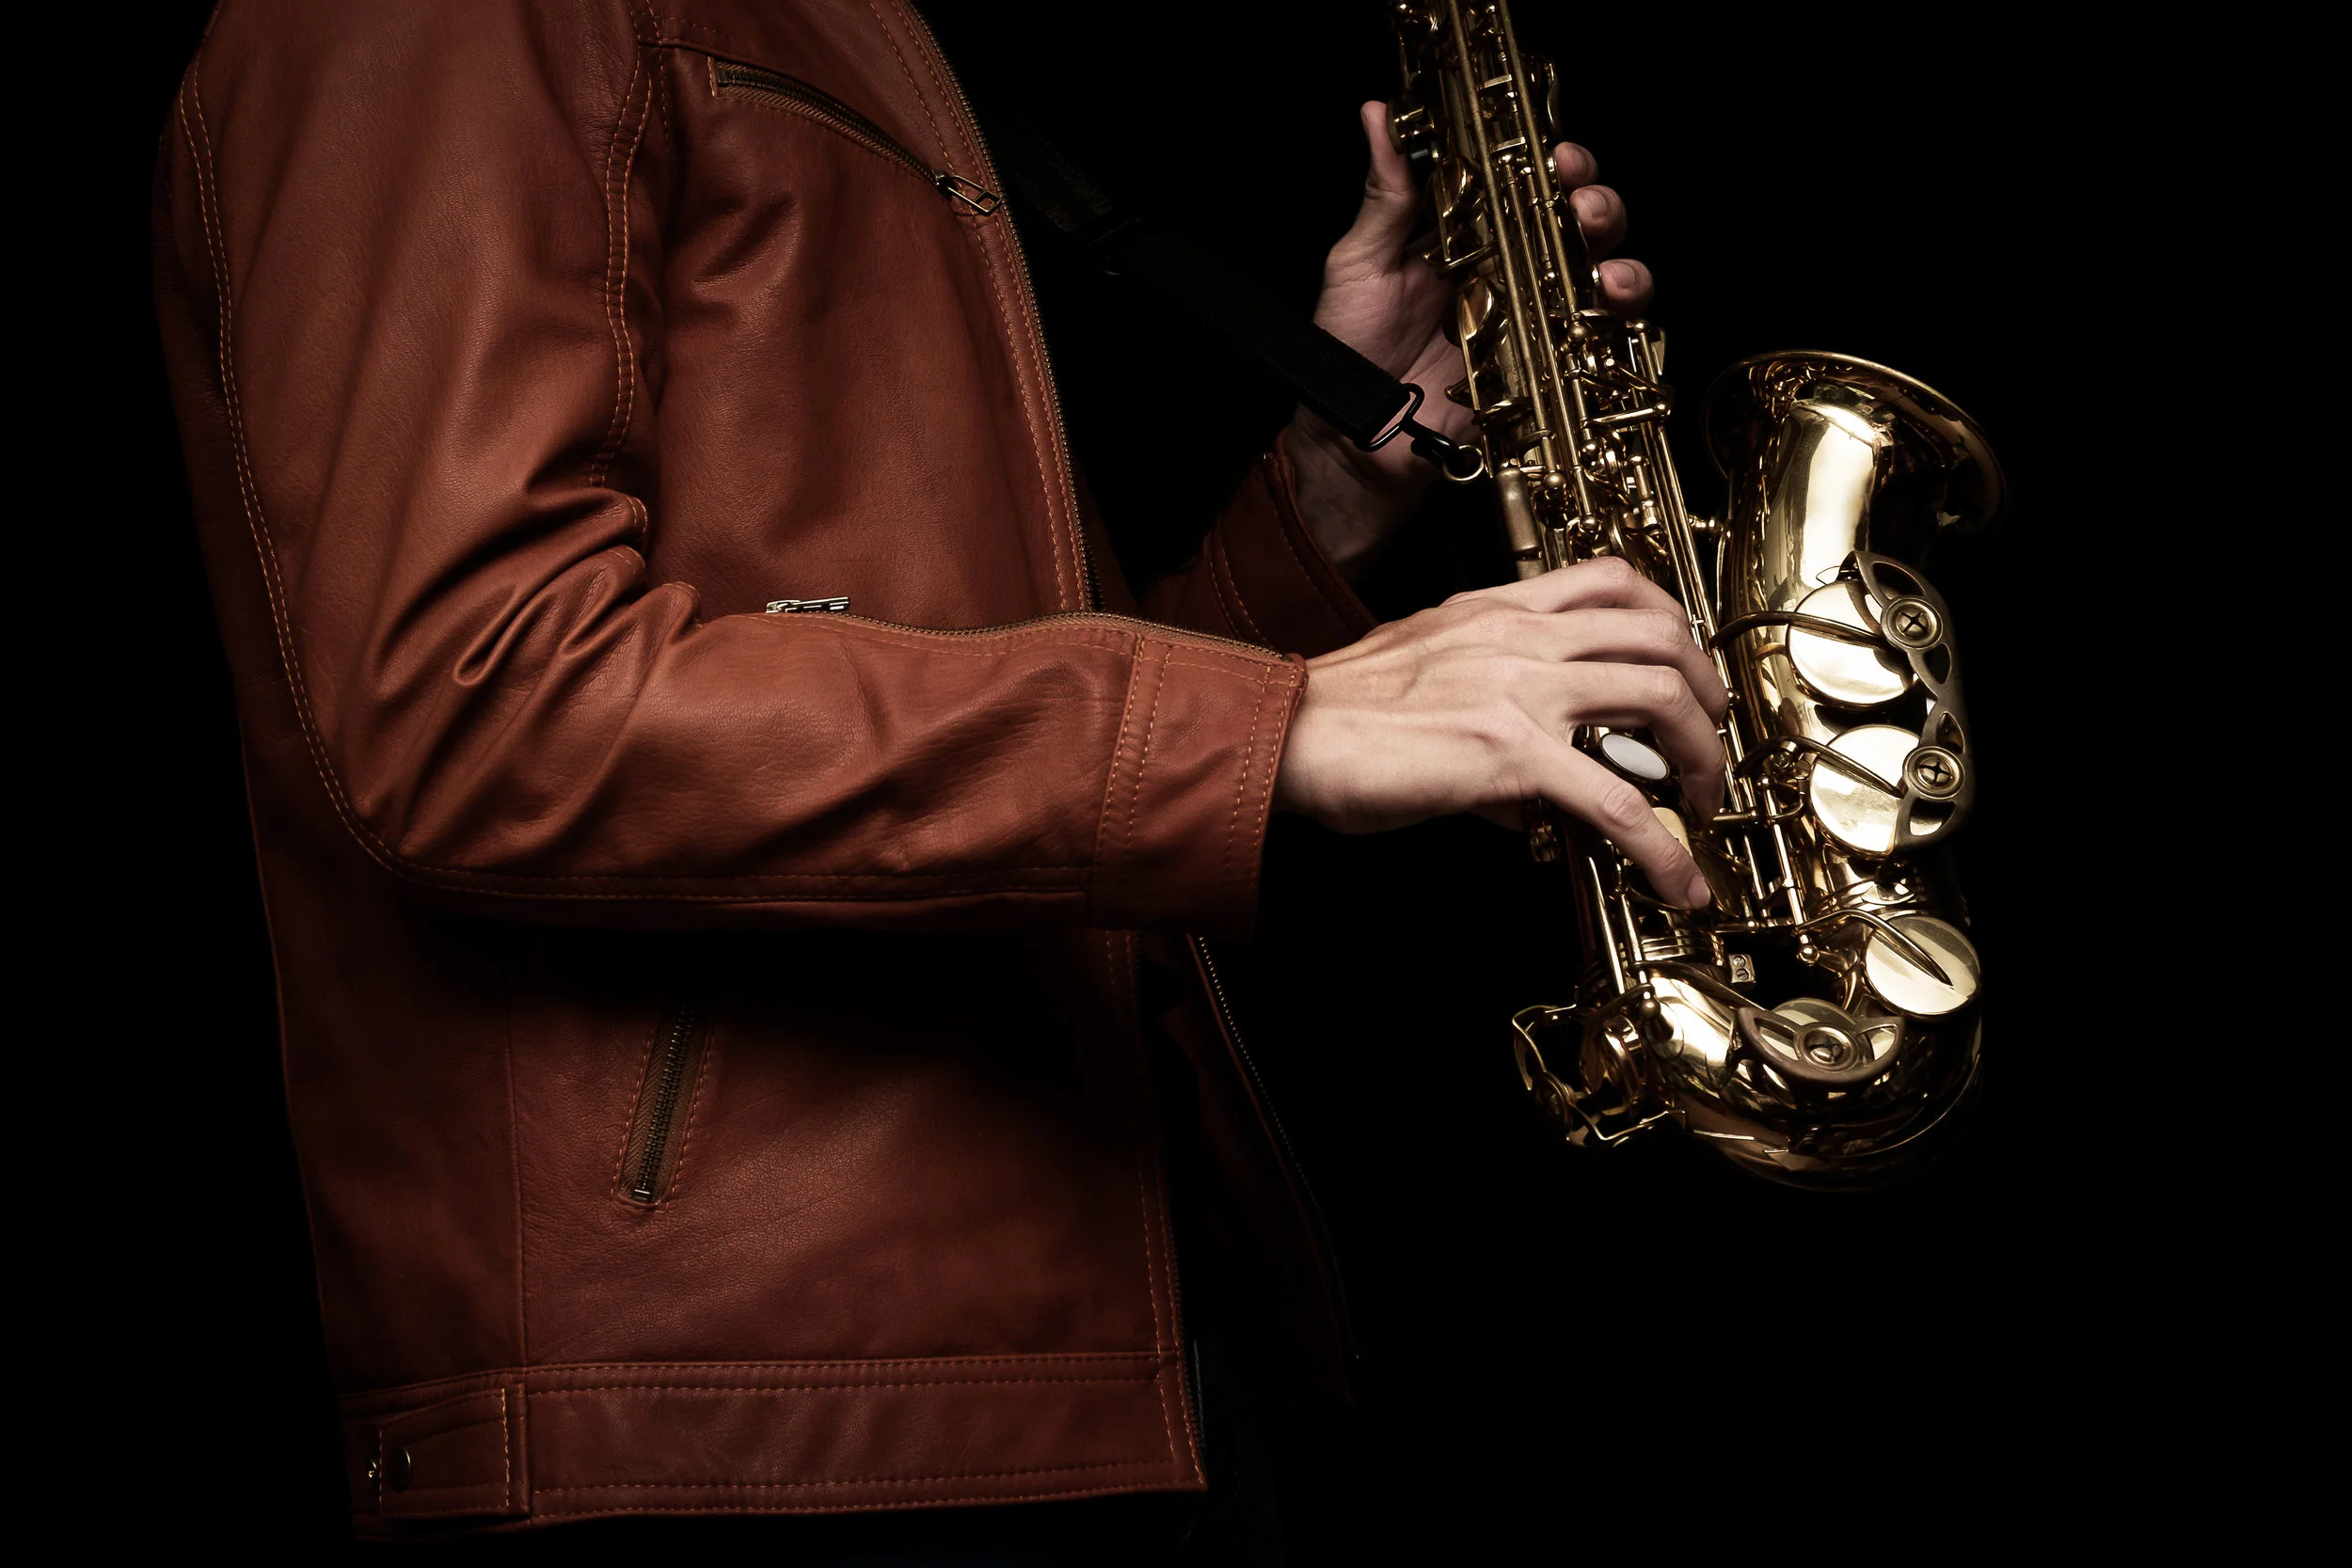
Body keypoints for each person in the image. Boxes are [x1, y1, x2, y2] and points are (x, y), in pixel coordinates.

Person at [153, 0, 1725, 1554]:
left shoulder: (860, 25)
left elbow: (982, 746)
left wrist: (1328, 506)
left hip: (1109, 1343)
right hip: (727, 1427)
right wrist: (1276, 723)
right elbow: (474, 700)